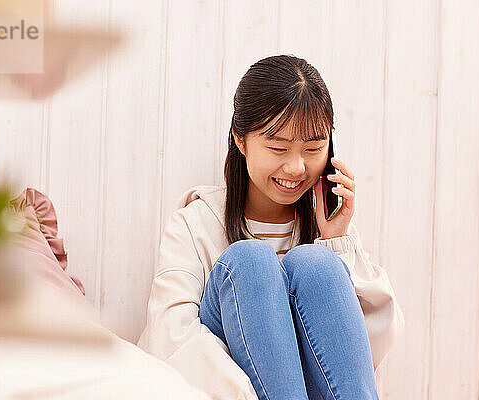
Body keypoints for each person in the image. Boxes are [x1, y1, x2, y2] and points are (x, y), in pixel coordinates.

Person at [137, 55, 404, 400]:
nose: (296, 167)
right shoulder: (195, 223)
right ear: (240, 139)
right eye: (278, 147)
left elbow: (369, 352)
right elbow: (169, 340)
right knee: (250, 263)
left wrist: (337, 243)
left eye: (313, 148)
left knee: (317, 265)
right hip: (228, 391)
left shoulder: (328, 230)